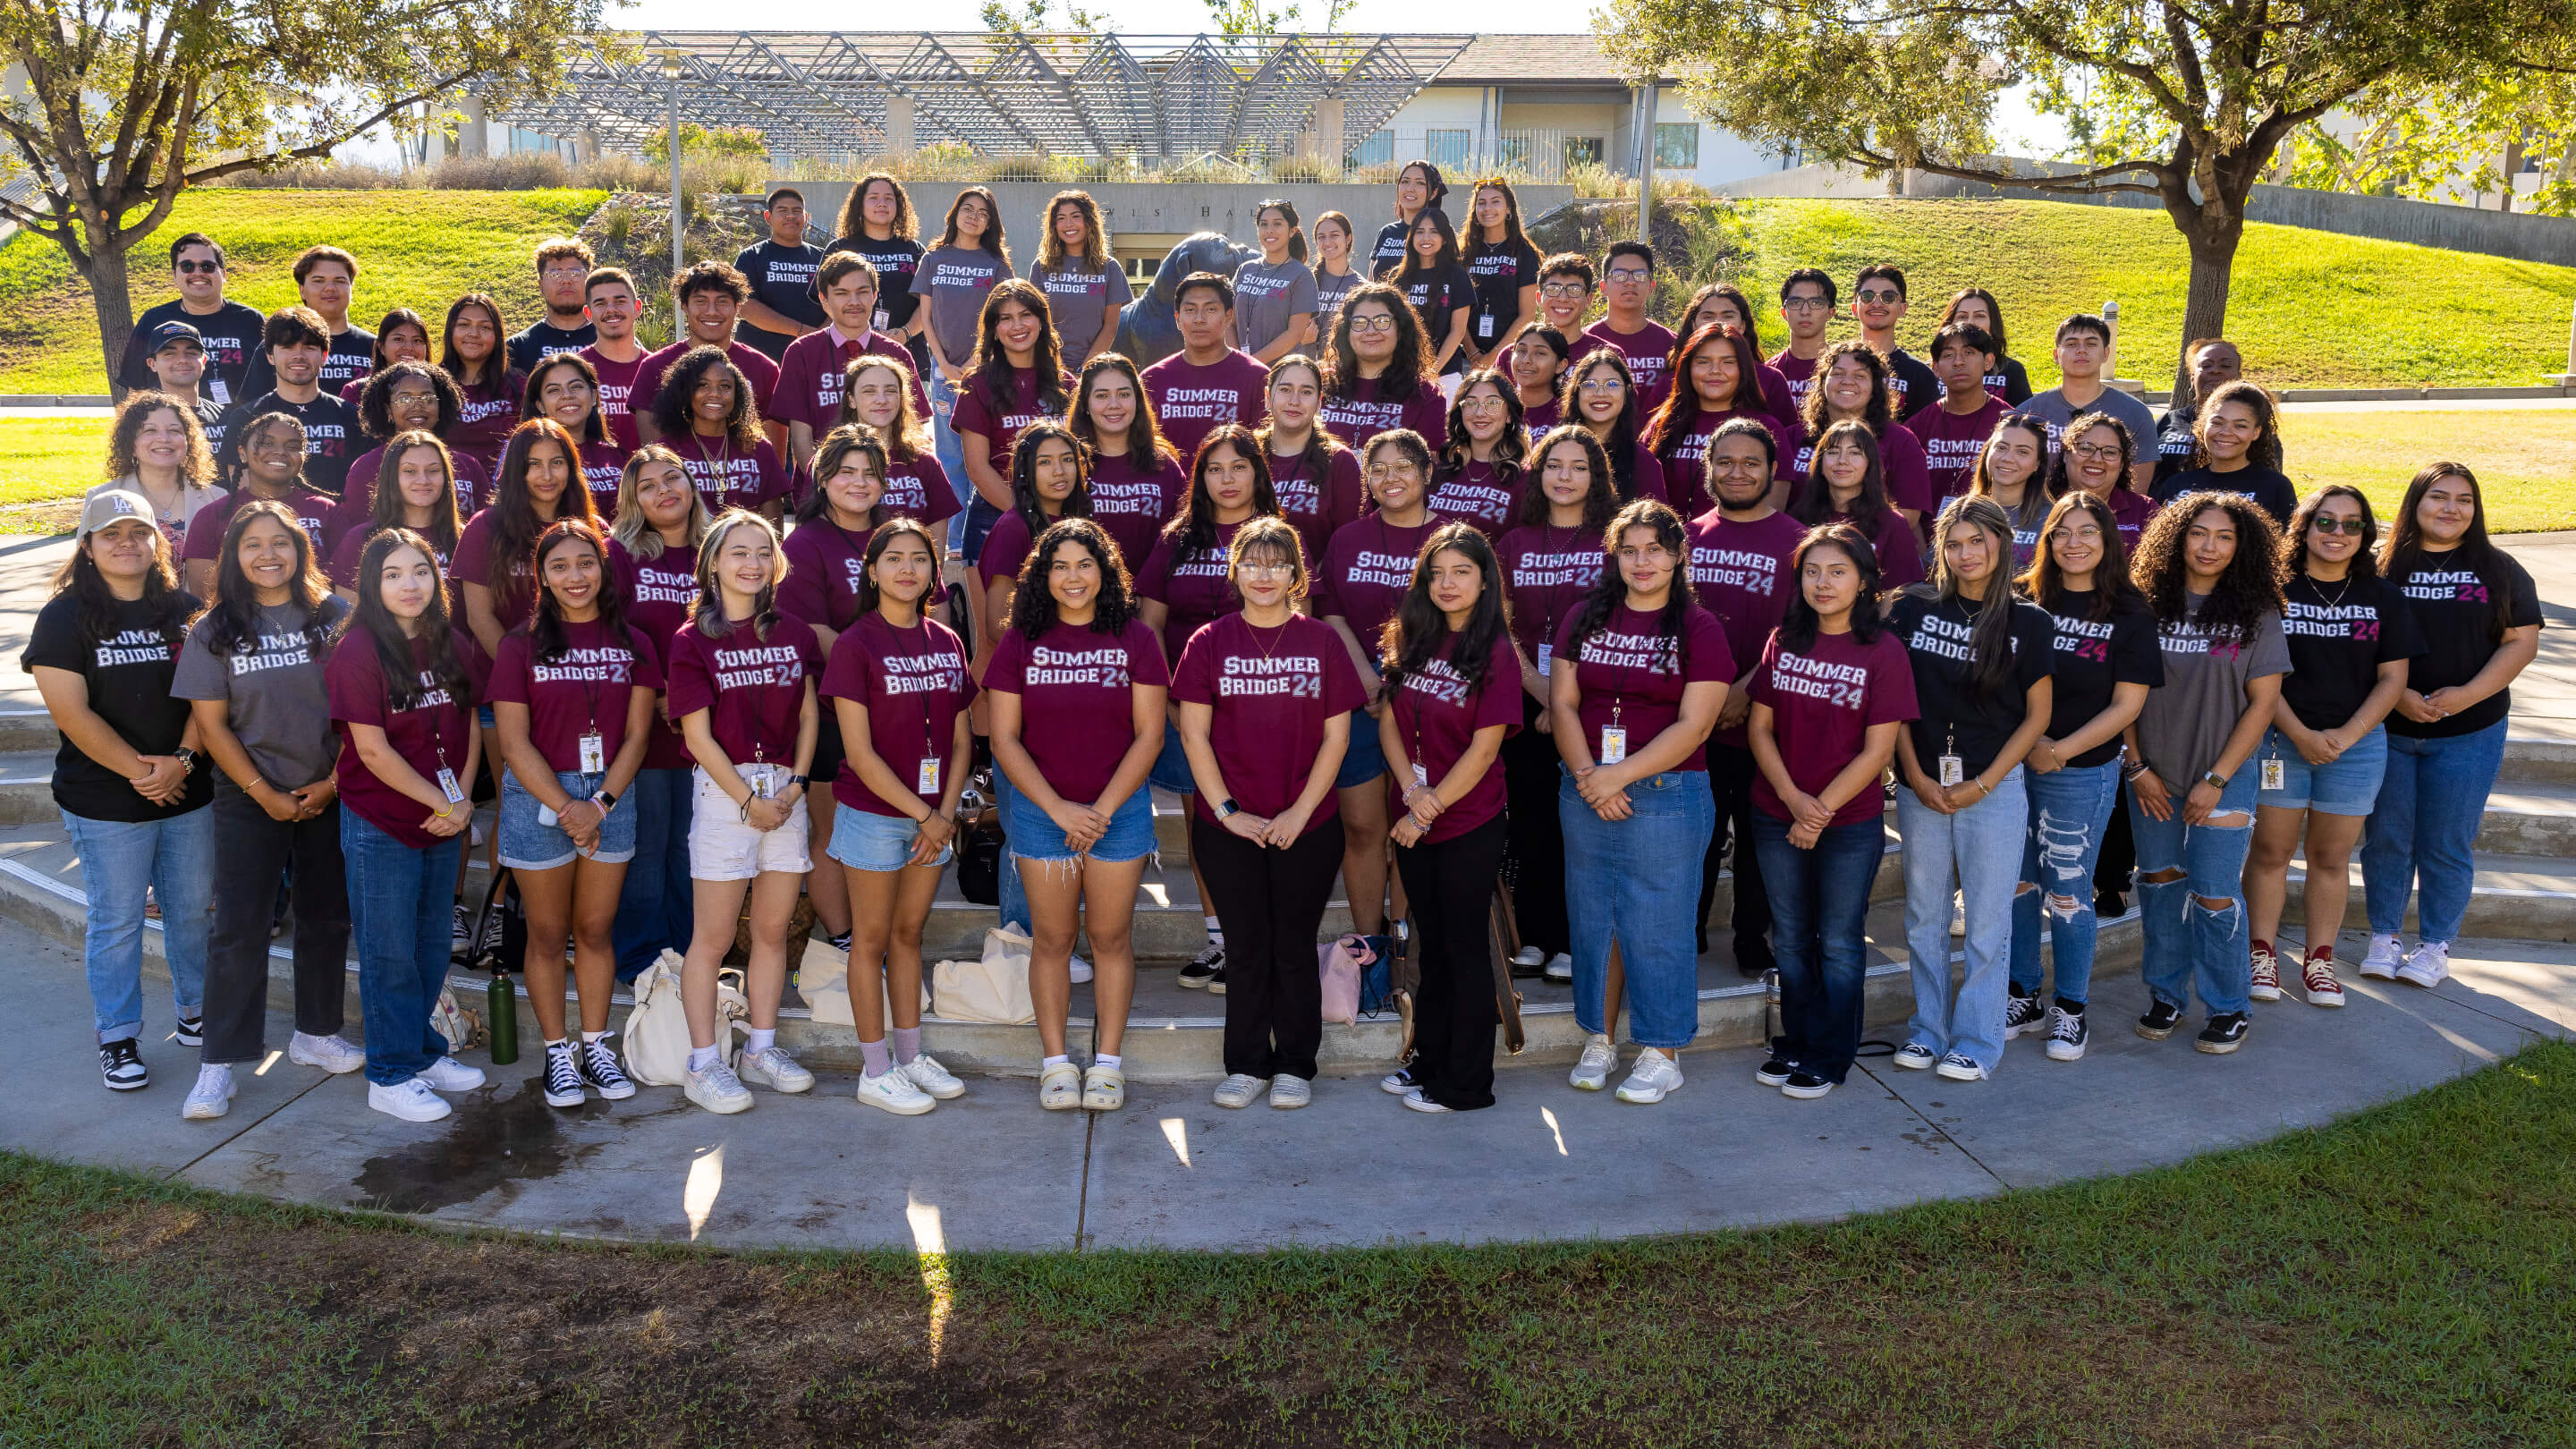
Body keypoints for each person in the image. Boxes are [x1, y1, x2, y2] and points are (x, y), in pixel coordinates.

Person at [172, 500, 360, 1120]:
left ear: (301, 549)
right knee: (239, 927)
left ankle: (315, 1032)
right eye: (253, 544)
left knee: (327, 915)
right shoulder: (213, 628)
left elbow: (363, 706)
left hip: (328, 787)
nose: (268, 554)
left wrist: (332, 782)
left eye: (280, 542)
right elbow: (212, 726)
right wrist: (264, 793)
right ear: (233, 556)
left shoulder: (334, 616)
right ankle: (219, 1064)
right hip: (249, 793)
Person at [1175, 516, 1366, 1109]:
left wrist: (1298, 813)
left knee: (1293, 943)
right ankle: (1246, 1064)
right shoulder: (1208, 641)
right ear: (1235, 571)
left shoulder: (1322, 642)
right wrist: (1228, 811)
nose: (1264, 575)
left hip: (1306, 824)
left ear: (1295, 575)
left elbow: (1337, 739)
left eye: (1276, 563)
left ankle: (1295, 1065)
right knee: (1247, 943)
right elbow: (1194, 736)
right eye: (1251, 563)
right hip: (1228, 826)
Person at [27, 492, 213, 1093]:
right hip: (105, 801)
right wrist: (142, 771)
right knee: (118, 920)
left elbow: (210, 698)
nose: (126, 543)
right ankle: (118, 1036)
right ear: (87, 545)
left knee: (190, 911)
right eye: (111, 534)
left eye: (138, 532)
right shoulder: (63, 616)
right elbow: (72, 714)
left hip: (188, 789)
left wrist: (182, 761)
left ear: (158, 542)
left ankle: (195, 1013)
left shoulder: (185, 610)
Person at [986, 516, 1168, 1112]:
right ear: (1042, 574)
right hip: (1044, 814)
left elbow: (1150, 735)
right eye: (1060, 565)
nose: (1073, 576)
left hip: (1120, 812)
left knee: (1111, 937)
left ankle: (1109, 1064)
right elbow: (1005, 739)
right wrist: (1060, 808)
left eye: (1085, 564)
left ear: (1105, 572)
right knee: (1054, 940)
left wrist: (1100, 810)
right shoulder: (1020, 642)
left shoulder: (1135, 638)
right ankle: (1056, 1063)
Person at [1552, 498, 1730, 1104]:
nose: (1641, 561)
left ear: (1679, 555)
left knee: (1657, 923)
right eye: (1629, 550)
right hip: (1586, 787)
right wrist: (1587, 775)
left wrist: (1616, 776)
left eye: (1654, 549)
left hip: (1667, 793)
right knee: (1594, 917)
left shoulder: (1699, 628)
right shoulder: (1584, 615)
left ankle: (1662, 1051)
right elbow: (1564, 705)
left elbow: (1696, 724)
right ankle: (1600, 1037)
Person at [487, 518, 660, 1106]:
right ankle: (557, 1054)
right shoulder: (519, 645)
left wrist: (599, 803)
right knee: (547, 932)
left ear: (604, 569)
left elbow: (638, 735)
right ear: (542, 576)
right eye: (559, 566)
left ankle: (595, 1047)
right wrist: (568, 807)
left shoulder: (634, 642)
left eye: (585, 563)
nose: (575, 576)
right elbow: (512, 743)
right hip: (543, 795)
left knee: (593, 929)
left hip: (610, 792)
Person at [1886, 496, 2054, 1081]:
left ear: (2001, 544)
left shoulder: (2029, 621)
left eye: (1976, 542)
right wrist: (1912, 773)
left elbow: (2036, 718)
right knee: (1922, 916)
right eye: (1953, 544)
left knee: (1986, 921)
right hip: (1922, 786)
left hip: (1995, 790)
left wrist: (1985, 782)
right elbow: (1896, 704)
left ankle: (1978, 1041)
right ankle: (1928, 1031)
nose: (1965, 554)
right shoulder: (1911, 609)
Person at [1744, 522, 1914, 1098]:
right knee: (1790, 936)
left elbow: (1879, 749)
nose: (1823, 582)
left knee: (1839, 940)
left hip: (1848, 824)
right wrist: (1794, 801)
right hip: (1775, 811)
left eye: (1838, 571)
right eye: (1812, 571)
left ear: (1864, 581)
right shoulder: (1782, 639)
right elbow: (1760, 727)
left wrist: (1818, 812)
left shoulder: (1884, 650)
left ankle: (1831, 1055)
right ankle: (1796, 1042)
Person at [664, 513, 824, 1113]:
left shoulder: (795, 633)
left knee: (771, 931)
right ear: (713, 562)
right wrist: (749, 800)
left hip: (785, 791)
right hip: (724, 791)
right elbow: (698, 738)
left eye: (763, 552)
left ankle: (759, 1049)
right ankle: (704, 1063)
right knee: (712, 937)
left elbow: (809, 715)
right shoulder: (690, 640)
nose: (752, 563)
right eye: (739, 552)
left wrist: (798, 785)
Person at [329, 528, 488, 1121]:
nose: (409, 584)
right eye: (393, 574)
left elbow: (471, 721)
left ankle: (423, 1052)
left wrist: (464, 796)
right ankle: (389, 1073)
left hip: (443, 819)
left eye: (419, 571)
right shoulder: (357, 651)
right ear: (373, 584)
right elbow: (371, 751)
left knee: (427, 946)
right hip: (383, 823)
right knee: (388, 951)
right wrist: (444, 803)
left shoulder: (450, 642)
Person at [2361, 463, 2542, 987]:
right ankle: (2383, 937)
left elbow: (2520, 642)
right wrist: (2400, 698)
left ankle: (2435, 946)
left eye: (2464, 500)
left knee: (2446, 842)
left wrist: (2463, 697)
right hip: (2390, 727)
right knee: (2388, 838)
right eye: (2438, 497)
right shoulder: (2381, 567)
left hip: (2471, 731)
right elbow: (2358, 641)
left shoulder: (2500, 568)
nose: (2450, 509)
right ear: (2415, 503)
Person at [2243, 486, 2422, 1008]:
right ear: (2304, 527)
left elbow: (2393, 680)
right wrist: (2300, 733)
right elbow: (2258, 674)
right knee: (2272, 852)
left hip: (2357, 746)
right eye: (2325, 522)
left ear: (2366, 534)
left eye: (2351, 524)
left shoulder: (2383, 596)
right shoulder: (2273, 590)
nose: (2337, 534)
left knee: (2330, 855)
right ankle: (2263, 955)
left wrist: (2347, 736)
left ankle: (2319, 962)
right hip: (2279, 738)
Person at [2123, 492, 2289, 1055]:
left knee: (2216, 893)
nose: (2210, 545)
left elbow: (2263, 705)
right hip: (2151, 774)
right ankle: (2166, 994)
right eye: (2198, 532)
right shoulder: (2144, 604)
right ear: (2177, 537)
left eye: (2224, 536)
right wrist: (2137, 765)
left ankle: (2228, 1005)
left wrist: (2216, 779)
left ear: (2242, 546)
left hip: (2225, 773)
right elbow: (2122, 694)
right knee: (2162, 886)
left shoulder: (2257, 614)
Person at [820, 518, 974, 1115]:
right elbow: (858, 752)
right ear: (872, 570)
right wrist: (925, 816)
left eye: (919, 558)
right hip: (875, 815)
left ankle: (910, 1057)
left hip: (931, 814)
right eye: (894, 558)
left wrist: (944, 812)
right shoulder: (857, 642)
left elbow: (962, 742)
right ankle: (875, 1069)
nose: (908, 568)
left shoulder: (947, 640)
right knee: (873, 941)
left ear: (934, 573)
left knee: (910, 936)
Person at [2005, 491, 2159, 1061]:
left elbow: (2127, 706)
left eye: (2087, 532)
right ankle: (2024, 993)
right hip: (2014, 768)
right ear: (2047, 539)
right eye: (2062, 531)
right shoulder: (2023, 599)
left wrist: (2061, 750)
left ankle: (2071, 1007)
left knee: (2068, 894)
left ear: (2109, 541)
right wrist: (2027, 747)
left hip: (2082, 772)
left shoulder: (2129, 612)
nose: (2074, 543)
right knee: (2018, 887)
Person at [1373, 522, 1521, 1114]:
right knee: (1431, 948)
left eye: (1462, 571)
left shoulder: (1497, 653)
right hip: (1414, 813)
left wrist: (1426, 808)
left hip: (1467, 822)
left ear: (1485, 580)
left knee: (1463, 950)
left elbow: (1485, 750)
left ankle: (1466, 1083)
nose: (1448, 583)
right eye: (1437, 573)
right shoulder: (1413, 637)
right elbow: (1388, 719)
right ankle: (1427, 1062)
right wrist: (1411, 790)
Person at [1137, 427, 1286, 988]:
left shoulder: (1278, 538)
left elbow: (1303, 624)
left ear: (1257, 473)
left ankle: (1260, 940)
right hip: (1185, 710)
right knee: (1208, 826)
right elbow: (1149, 626)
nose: (1227, 479)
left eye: (1239, 467)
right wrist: (1175, 700)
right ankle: (1222, 944)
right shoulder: (1177, 539)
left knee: (1265, 818)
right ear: (1200, 478)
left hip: (1264, 706)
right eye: (1214, 468)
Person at [1682, 418, 1809, 970]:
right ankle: (1686, 930)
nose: (1738, 473)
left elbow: (1805, 632)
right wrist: (1710, 700)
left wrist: (1747, 689)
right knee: (1697, 835)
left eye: (1751, 462)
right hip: (1693, 720)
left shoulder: (1799, 541)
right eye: (1726, 462)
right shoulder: (1684, 537)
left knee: (1761, 837)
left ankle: (1751, 937)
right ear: (1709, 468)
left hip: (1765, 715)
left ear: (1772, 471)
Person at [1494, 425, 1616, 983]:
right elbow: (1499, 624)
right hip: (1524, 703)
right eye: (1553, 466)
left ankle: (1571, 939)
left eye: (1578, 467)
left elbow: (1618, 624)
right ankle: (1536, 934)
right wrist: (1542, 695)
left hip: (1590, 705)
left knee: (1579, 827)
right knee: (1533, 824)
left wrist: (1564, 702)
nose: (1564, 477)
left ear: (1596, 478)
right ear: (1538, 475)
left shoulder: (1611, 542)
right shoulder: (1515, 542)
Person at [1316, 428, 1445, 950]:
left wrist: (1410, 682)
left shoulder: (1452, 538)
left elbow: (1469, 618)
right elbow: (1329, 612)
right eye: (1379, 468)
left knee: (1418, 822)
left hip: (1433, 692)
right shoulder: (1348, 538)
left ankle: (1407, 943)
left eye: (1403, 466)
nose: (1391, 478)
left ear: (1427, 471)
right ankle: (1370, 947)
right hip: (1360, 691)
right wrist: (1368, 676)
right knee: (1365, 828)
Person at [607, 447, 713, 981]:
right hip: (647, 724)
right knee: (648, 846)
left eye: (673, 477)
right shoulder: (620, 554)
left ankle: (694, 955)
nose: (664, 489)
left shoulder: (717, 549)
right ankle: (643, 962)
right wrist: (659, 693)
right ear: (632, 501)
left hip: (712, 727)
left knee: (692, 846)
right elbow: (613, 633)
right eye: (647, 485)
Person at [953, 279, 1075, 564]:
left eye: (1025, 315)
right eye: (1006, 319)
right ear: (994, 330)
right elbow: (977, 468)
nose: (1017, 326)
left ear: (1042, 321)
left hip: (1061, 518)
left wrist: (1051, 518)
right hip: (993, 516)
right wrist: (1031, 516)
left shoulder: (1067, 386)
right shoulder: (977, 384)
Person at [457, 419, 601, 657]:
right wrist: (523, 673)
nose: (547, 475)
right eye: (533, 464)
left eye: (557, 463)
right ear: (517, 469)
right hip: (507, 677)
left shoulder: (593, 528)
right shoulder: (484, 527)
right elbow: (479, 618)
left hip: (579, 676)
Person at [775, 253, 924, 476]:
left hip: (887, 482)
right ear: (824, 300)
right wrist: (820, 483)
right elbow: (800, 436)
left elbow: (913, 427)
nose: (854, 302)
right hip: (821, 481)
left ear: (874, 296)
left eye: (862, 292)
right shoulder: (801, 352)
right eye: (842, 293)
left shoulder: (895, 353)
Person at [919, 186, 1016, 518]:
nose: (974, 217)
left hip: (986, 368)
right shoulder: (933, 258)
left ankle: (980, 529)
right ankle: (956, 537)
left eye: (983, 213)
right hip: (943, 369)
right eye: (968, 209)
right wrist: (944, 364)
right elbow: (926, 318)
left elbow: (1004, 317)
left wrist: (976, 361)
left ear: (990, 223)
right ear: (955, 215)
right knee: (950, 454)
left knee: (983, 452)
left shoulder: (996, 264)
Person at [1647, 323, 1796, 518]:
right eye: (1703, 361)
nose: (1715, 370)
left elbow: (1773, 512)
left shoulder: (1768, 428)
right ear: (1687, 367)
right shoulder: (1664, 422)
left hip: (1736, 546)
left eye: (1727, 362)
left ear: (1744, 368)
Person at [975, 421, 1093, 668]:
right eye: (1045, 462)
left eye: (1067, 459)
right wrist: (1054, 657)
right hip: (1037, 669)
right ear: (1025, 471)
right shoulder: (1013, 528)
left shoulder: (1081, 524)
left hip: (1082, 662)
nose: (1059, 471)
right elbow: (997, 624)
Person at [182, 411, 335, 598]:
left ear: (304, 456)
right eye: (266, 443)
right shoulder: (212, 515)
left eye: (293, 446)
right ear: (242, 453)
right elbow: (204, 596)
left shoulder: (328, 511)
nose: (280, 451)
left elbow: (344, 589)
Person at [635, 263, 784, 450]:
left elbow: (772, 460)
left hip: (744, 478)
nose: (712, 311)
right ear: (684, 307)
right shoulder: (654, 367)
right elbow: (652, 454)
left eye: (722, 302)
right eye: (700, 301)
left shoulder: (765, 369)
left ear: (737, 307)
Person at [217, 306, 360, 496]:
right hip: (268, 523)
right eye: (287, 347)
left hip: (337, 523)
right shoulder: (245, 417)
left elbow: (363, 485)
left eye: (309, 347)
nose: (298, 356)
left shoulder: (351, 415)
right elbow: (242, 491)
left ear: (324, 356)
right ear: (269, 355)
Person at [333, 361, 486, 535]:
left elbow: (485, 530)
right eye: (405, 399)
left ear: (440, 406)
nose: (417, 406)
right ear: (388, 410)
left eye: (428, 398)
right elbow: (357, 534)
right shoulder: (366, 467)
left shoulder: (468, 466)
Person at [117, 232, 266, 404]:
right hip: (173, 427)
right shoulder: (154, 320)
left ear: (223, 274)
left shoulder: (251, 320)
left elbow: (271, 380)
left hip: (240, 427)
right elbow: (135, 386)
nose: (198, 273)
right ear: (174, 274)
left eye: (207, 266)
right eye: (187, 266)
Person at [1792, 339, 1931, 524]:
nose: (1847, 382)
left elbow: (1909, 517)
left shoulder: (1901, 441)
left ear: (1875, 387)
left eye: (1859, 376)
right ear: (1823, 382)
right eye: (1838, 373)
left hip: (1872, 547)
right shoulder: (1793, 437)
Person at [1071, 352, 1189, 568]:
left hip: (1152, 597)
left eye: (1124, 394)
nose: (1114, 404)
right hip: (1083, 595)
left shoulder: (1164, 466)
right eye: (1102, 395)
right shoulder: (1069, 465)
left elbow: (1182, 541)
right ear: (1085, 404)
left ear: (1137, 400)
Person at [326, 431, 465, 613]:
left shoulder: (466, 537)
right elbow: (347, 617)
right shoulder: (360, 539)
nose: (423, 480)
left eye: (433, 470)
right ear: (392, 477)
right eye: (410, 471)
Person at [1143, 273, 1271, 466]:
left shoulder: (1257, 376)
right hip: (1168, 493)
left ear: (1228, 317)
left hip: (1232, 492)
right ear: (1177, 318)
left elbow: (1264, 448)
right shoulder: (1152, 379)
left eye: (1211, 309)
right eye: (1190, 309)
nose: (1199, 319)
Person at [2016, 313, 2158, 487]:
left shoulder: (2135, 413)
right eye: (2071, 344)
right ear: (2056, 355)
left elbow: (2137, 491)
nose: (2081, 350)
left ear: (2106, 353)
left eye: (2091, 344)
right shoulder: (2028, 412)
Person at [649, 345, 788, 520]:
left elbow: (773, 524)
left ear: (737, 394)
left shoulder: (758, 448)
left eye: (725, 386)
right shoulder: (666, 450)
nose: (715, 394)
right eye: (703, 385)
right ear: (686, 392)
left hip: (746, 545)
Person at [1788, 419, 1924, 589]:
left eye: (1854, 453)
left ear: (1870, 464)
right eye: (1833, 452)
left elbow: (1895, 598)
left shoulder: (1893, 524)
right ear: (1820, 465)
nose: (1842, 460)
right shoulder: (1797, 518)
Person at [830, 353, 960, 528]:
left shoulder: (925, 463)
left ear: (901, 398)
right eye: (869, 391)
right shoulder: (829, 460)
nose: (881, 400)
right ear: (851, 399)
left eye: (890, 391)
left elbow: (934, 548)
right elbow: (814, 532)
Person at [1318, 283, 1446, 455]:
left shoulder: (1426, 396)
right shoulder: (1319, 384)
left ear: (1400, 330)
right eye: (1359, 322)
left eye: (1382, 321)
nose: (1370, 330)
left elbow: (1428, 468)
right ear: (1346, 331)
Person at [95, 390, 226, 558]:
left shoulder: (217, 498)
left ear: (189, 441)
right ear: (130, 443)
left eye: (174, 431)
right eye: (150, 431)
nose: (164, 438)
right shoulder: (101, 498)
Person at [233, 245, 373, 398]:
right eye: (318, 280)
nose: (330, 288)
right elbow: (251, 405)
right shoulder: (279, 344)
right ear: (302, 290)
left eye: (340, 281)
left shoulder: (374, 346)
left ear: (351, 287)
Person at [1675, 282, 1804, 444]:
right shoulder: (1673, 379)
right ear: (1693, 324)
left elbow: (1790, 440)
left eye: (1728, 316)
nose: (1718, 322)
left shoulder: (1770, 379)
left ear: (1743, 325)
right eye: (1708, 316)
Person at [2154, 378, 2297, 524]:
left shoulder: (2275, 487)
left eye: (2240, 426)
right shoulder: (2176, 485)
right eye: (2217, 423)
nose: (2226, 432)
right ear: (2204, 426)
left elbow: (2287, 544)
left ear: (2256, 432)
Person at [1908, 321, 2010, 513]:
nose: (1958, 362)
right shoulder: (1915, 428)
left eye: (1968, 353)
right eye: (1948, 355)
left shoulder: (2009, 423)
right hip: (1927, 538)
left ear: (1988, 361)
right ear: (1936, 368)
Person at [820, 174, 927, 352]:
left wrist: (904, 333)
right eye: (873, 198)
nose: (882, 203)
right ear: (859, 205)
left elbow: (929, 304)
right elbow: (825, 299)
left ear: (899, 206)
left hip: (910, 351)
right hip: (852, 350)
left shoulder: (915, 250)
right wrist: (860, 333)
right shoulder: (839, 248)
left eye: (889, 198)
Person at [1030, 190, 1132, 369]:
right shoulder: (1041, 267)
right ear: (1054, 225)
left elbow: (1110, 327)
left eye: (1075, 216)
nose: (1068, 224)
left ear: (1089, 221)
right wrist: (1057, 368)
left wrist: (1085, 370)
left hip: (1094, 368)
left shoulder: (1109, 267)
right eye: (1061, 218)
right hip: (1049, 367)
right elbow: (1035, 323)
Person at [521, 351, 628, 521]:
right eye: (554, 390)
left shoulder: (618, 456)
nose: (567, 395)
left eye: (576, 387)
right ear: (540, 405)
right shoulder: (523, 456)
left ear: (593, 396)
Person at [435, 293, 525, 480]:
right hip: (447, 497)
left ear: (497, 335)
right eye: (463, 325)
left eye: (485, 327)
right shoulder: (431, 385)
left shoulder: (519, 386)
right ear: (450, 331)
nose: (474, 334)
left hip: (504, 499)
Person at [1428, 369, 1526, 536]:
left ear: (1509, 415)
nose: (1480, 413)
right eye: (1471, 403)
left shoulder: (1524, 479)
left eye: (1493, 403)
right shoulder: (1437, 469)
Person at [733, 187, 826, 362]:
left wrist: (820, 336)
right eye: (782, 211)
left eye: (797, 211)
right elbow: (745, 306)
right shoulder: (751, 256)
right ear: (768, 217)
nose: (790, 216)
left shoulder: (824, 257)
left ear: (805, 218)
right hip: (760, 359)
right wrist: (803, 332)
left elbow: (840, 302)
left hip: (813, 356)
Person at [1564, 349, 1668, 504]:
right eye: (1589, 384)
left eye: (1612, 384)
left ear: (1627, 391)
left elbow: (1656, 526)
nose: (1600, 393)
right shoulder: (1552, 452)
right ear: (1576, 392)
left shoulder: (1643, 461)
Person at [2046, 412, 2158, 555]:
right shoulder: (2041, 506)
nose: (2097, 459)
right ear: (2066, 454)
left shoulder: (2146, 511)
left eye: (2110, 452)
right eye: (2086, 448)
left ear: (2122, 463)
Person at [1389, 207, 1474, 383]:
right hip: (1401, 373)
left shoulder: (1457, 275)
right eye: (1419, 232)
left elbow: (1457, 331)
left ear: (1444, 239)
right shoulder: (1397, 277)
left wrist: (1431, 372)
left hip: (1445, 374)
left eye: (1433, 232)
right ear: (1411, 237)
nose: (1426, 238)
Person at [1963, 411, 2055, 573]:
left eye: (2022, 452)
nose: (2008, 458)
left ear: (2037, 464)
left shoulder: (2053, 519)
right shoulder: (1960, 512)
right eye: (2001, 447)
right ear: (1987, 453)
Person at [1846, 263, 1939, 421]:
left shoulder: (1920, 375)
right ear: (1854, 308)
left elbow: (1928, 434)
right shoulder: (1837, 367)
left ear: (1903, 309)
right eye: (1867, 296)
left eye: (1888, 297)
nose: (1877, 304)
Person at [1585, 242, 1674, 404]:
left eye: (1639, 275)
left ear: (1651, 287)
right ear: (1603, 287)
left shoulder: (1672, 344)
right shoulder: (1585, 340)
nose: (1630, 282)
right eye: (1620, 275)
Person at [1233, 199, 1320, 365]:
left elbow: (1295, 333)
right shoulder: (1245, 269)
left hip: (1281, 375)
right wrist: (1236, 363)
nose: (1269, 230)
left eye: (1277, 224)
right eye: (1264, 224)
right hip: (1239, 371)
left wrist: (1252, 364)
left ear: (1292, 231)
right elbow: (1228, 322)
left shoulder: (1301, 275)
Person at [2153, 339, 2242, 491]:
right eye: (2206, 365)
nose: (2215, 370)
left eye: (2225, 365)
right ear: (2192, 377)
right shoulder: (2166, 421)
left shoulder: (2252, 427)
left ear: (2239, 377)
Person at [577, 268, 651, 450]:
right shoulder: (575, 369)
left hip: (646, 476)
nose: (611, 310)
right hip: (592, 476)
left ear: (637, 308)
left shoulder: (657, 368)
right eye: (601, 303)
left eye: (620, 301)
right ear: (588, 313)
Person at [504, 237, 599, 373]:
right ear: (540, 285)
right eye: (555, 274)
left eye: (575, 274)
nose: (566, 281)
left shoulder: (617, 341)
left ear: (589, 281)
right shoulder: (516, 349)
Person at [134, 320, 233, 451]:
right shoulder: (139, 419)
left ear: (203, 361)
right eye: (169, 354)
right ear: (152, 364)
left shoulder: (226, 417)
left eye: (191, 353)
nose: (182, 360)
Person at [1935, 287, 2034, 405]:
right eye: (1962, 316)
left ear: (1993, 324)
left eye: (1979, 316)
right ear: (1949, 324)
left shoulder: (2012, 370)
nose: (1970, 322)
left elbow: (2024, 420)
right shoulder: (1929, 370)